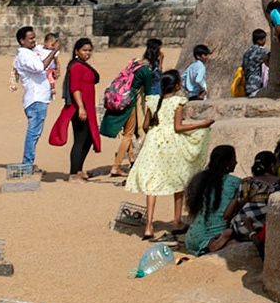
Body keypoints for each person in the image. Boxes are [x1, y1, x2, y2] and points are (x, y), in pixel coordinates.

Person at [125, 71, 214, 239]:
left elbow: (145, 126)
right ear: (178, 85)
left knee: (152, 183)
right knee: (178, 179)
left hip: (153, 142)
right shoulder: (178, 102)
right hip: (172, 143)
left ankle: (148, 226)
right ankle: (177, 221)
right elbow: (178, 127)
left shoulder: (153, 101)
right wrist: (201, 124)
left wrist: (154, 132)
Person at [101, 37, 163, 181]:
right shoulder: (147, 71)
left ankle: (131, 160)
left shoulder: (135, 63)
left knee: (128, 132)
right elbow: (148, 92)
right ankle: (116, 167)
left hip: (123, 97)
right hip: (131, 102)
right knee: (128, 135)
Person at [47, 38, 102, 181]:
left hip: (86, 108)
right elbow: (75, 88)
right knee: (80, 139)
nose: (87, 53)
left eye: (89, 50)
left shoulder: (82, 65)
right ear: (77, 51)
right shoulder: (77, 67)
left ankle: (79, 169)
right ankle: (73, 173)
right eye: (84, 50)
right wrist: (81, 108)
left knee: (88, 138)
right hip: (78, 108)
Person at [11, 27, 59, 171]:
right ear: (22, 40)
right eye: (30, 38)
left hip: (40, 97)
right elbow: (39, 67)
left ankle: (29, 162)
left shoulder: (31, 52)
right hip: (35, 99)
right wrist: (53, 52)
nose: (34, 40)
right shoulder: (24, 56)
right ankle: (27, 164)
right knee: (33, 132)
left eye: (34, 37)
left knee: (35, 132)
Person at [183, 145, 244, 255]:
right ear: (226, 163)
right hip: (214, 238)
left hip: (192, 239)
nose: (236, 162)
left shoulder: (199, 180)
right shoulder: (236, 183)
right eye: (233, 159)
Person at [230, 151, 280, 248]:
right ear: (272, 165)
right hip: (264, 228)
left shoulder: (247, 181)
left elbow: (240, 201)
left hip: (241, 225)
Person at [240, 29, 270, 98]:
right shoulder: (260, 51)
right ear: (259, 40)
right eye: (264, 39)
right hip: (256, 85)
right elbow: (271, 57)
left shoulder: (247, 52)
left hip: (247, 85)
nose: (265, 41)